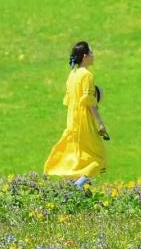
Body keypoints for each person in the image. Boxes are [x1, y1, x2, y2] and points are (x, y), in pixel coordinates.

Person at [43, 41, 109, 182]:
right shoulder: (86, 75)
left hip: (72, 119)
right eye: (91, 53)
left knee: (78, 156)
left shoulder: (72, 75)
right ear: (85, 56)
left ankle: (76, 187)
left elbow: (68, 99)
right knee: (98, 157)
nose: (93, 55)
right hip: (83, 119)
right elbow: (89, 101)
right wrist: (100, 123)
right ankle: (80, 184)